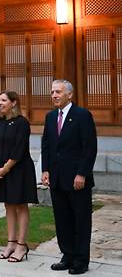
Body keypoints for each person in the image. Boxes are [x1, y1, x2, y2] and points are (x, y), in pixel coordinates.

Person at [42, 80, 97, 275]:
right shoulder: (50, 117)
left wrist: (82, 173)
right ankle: (67, 255)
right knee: (62, 219)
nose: (54, 95)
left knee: (80, 220)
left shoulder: (82, 116)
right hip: (56, 178)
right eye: (52, 92)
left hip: (77, 179)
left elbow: (89, 148)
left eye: (58, 92)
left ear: (70, 95)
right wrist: (45, 170)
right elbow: (46, 145)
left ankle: (81, 260)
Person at [0, 90, 37, 263]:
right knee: (8, 205)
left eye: (3, 100)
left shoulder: (22, 123)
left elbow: (19, 149)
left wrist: (5, 169)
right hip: (1, 169)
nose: (0, 103)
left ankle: (22, 245)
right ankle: (11, 243)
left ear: (14, 102)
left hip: (18, 169)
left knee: (20, 205)